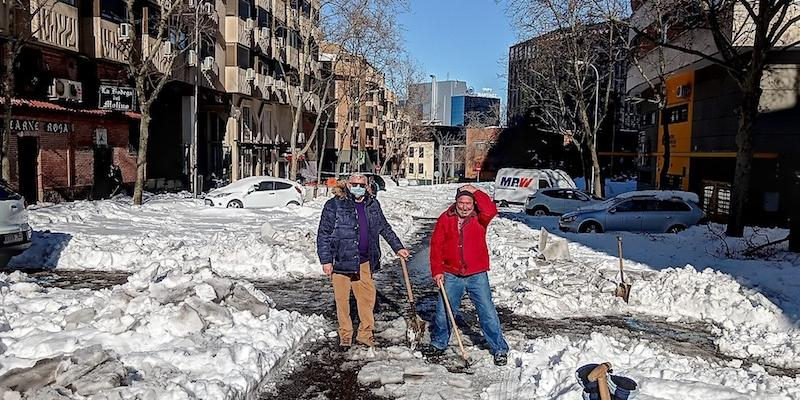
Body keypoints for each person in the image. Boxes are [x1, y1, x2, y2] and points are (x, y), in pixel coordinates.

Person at [317, 173, 410, 348]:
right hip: (340, 261)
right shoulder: (334, 205)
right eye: (354, 184)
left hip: (364, 261)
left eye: (362, 184)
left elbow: (384, 227)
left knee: (367, 299)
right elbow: (323, 234)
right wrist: (326, 260)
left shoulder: (372, 204)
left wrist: (398, 247)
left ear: (367, 186)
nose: (358, 187)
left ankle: (365, 333)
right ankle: (345, 333)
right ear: (348, 185)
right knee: (342, 300)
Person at [425, 184, 509, 366]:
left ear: (473, 204)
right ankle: (439, 342)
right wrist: (437, 271)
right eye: (461, 202)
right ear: (456, 202)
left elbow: (491, 209)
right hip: (452, 273)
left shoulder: (480, 218)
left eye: (468, 203)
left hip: (476, 274)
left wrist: (475, 190)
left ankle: (499, 348)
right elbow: (437, 245)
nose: (464, 207)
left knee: (487, 312)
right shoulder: (445, 219)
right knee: (443, 311)